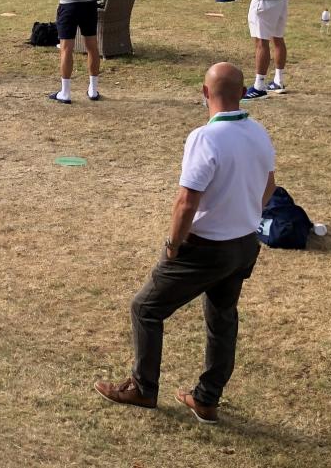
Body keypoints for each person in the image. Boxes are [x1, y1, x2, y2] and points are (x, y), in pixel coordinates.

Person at [94, 61, 275, 425]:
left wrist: (173, 245)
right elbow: (269, 186)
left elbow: (186, 202)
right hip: (243, 244)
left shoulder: (205, 138)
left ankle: (143, 388)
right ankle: (207, 399)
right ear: (242, 93)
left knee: (145, 308)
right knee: (222, 318)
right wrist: (242, 213)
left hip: (206, 247)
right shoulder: (259, 133)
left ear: (205, 93)